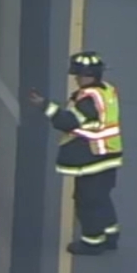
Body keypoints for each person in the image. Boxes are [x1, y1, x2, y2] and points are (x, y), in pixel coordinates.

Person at [26, 52, 123, 257]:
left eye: (79, 75)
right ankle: (110, 235)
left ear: (89, 75)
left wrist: (44, 105)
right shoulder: (106, 90)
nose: (77, 79)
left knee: (87, 202)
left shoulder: (89, 99)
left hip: (92, 159)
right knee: (102, 199)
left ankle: (92, 243)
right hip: (109, 155)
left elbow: (68, 122)